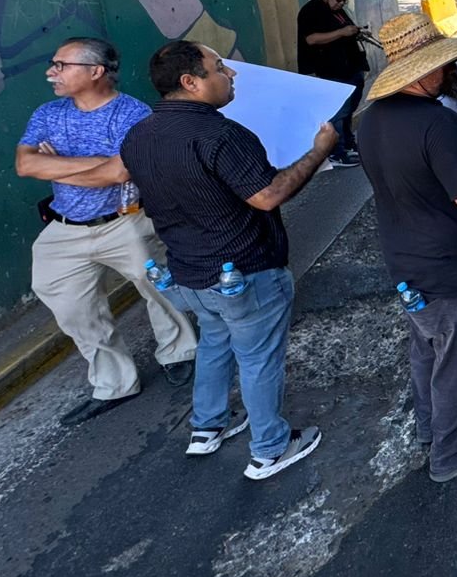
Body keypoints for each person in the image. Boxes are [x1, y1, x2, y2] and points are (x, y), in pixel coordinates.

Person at [118, 41, 337, 479]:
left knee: (215, 343)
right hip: (246, 272)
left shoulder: (138, 136)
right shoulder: (220, 134)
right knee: (257, 358)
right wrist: (319, 150)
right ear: (191, 82)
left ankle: (207, 426)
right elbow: (268, 195)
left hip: (188, 273)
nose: (231, 75)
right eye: (220, 67)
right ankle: (270, 448)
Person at [358, 12, 457, 483]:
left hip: (405, 259)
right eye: (447, 65)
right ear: (425, 70)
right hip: (452, 267)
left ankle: (430, 430)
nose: (454, 73)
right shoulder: (436, 125)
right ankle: (454, 453)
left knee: (428, 350)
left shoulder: (370, 121)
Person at [15, 37, 197, 427]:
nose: (52, 72)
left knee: (159, 288)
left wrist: (59, 163)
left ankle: (179, 351)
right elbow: (25, 165)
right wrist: (95, 165)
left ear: (95, 71)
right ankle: (115, 383)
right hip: (65, 228)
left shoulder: (133, 113)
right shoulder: (48, 113)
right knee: (72, 309)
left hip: (125, 221)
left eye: (61, 65)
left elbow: (121, 172)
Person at [297, 0, 368, 168]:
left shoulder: (337, 11)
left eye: (344, 0)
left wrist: (356, 32)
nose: (341, 3)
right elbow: (311, 39)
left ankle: (348, 142)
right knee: (337, 111)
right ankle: (337, 152)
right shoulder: (311, 11)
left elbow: (345, 29)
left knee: (349, 109)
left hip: (349, 67)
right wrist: (343, 32)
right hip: (330, 69)